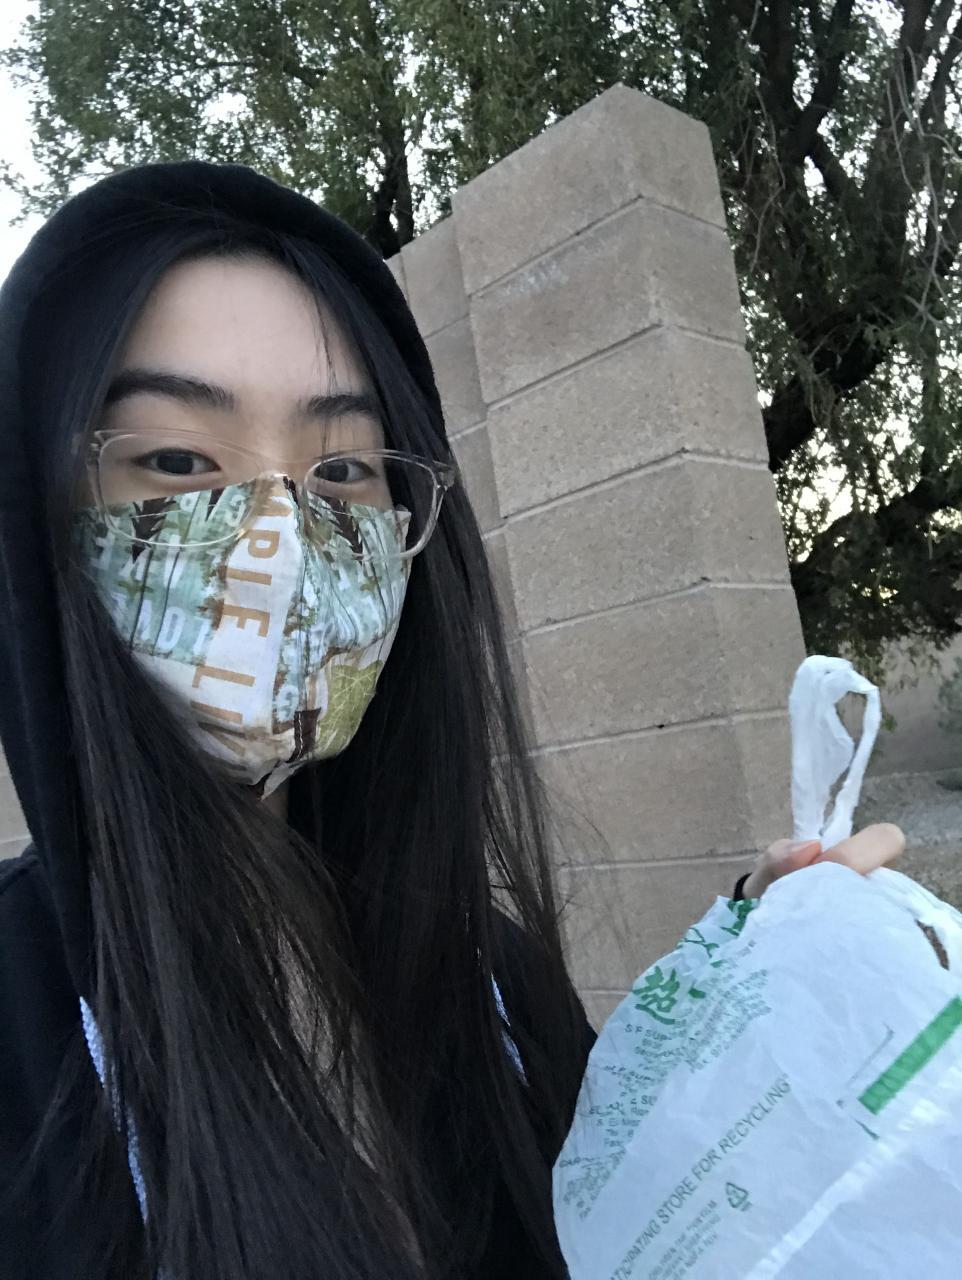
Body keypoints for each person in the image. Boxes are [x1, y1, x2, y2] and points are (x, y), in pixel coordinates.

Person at [0, 162, 904, 1280]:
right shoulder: (21, 1029)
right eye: (177, 461)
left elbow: (632, 1218)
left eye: (341, 469)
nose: (275, 548)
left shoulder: (484, 978)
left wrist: (745, 1004)